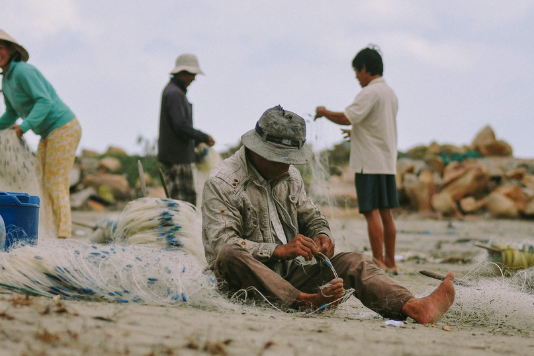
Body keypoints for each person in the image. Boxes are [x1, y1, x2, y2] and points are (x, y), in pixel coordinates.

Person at [202, 106, 454, 323]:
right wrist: (278, 251)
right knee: (230, 253)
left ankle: (414, 307)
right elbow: (221, 247)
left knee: (353, 262)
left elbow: (312, 216)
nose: (287, 167)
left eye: (291, 160)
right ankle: (304, 302)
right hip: (244, 284)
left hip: (289, 278)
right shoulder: (223, 182)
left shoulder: (289, 175)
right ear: (259, 150)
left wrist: (322, 234)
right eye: (281, 160)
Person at [0, 30, 81, 239]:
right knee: (41, 181)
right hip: (47, 132)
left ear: (12, 50)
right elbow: (12, 113)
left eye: (0, 47)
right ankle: (49, 231)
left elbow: (44, 101)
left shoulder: (23, 71)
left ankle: (63, 234)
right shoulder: (6, 80)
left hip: (64, 126)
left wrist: (24, 127)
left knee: (55, 181)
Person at [315, 46, 400, 273]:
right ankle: (391, 261)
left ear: (364, 68)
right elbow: (376, 126)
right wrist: (356, 133)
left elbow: (346, 117)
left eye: (357, 72)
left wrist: (324, 112)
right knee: (386, 212)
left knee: (370, 211)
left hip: (369, 162)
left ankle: (379, 261)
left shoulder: (369, 92)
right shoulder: (390, 93)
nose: (357, 78)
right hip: (387, 161)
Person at [158, 53, 215, 206]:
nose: (193, 79)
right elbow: (181, 126)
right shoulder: (175, 94)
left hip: (176, 156)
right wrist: (203, 137)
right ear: (183, 73)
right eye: (192, 75)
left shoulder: (174, 92)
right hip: (178, 158)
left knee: (179, 202)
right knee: (183, 204)